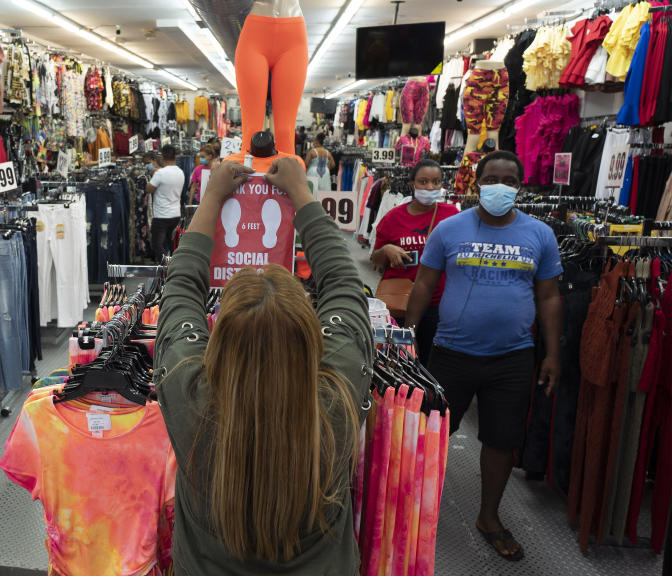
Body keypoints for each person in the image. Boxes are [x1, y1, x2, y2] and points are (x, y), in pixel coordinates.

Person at [154, 158, 373, 573]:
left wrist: (212, 196)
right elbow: (345, 284)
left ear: (217, 340)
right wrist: (302, 194)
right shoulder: (338, 399)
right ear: (313, 339)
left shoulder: (189, 395)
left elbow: (180, 285)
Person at [405, 150, 563, 562]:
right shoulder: (448, 229)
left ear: (520, 186)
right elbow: (423, 284)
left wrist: (552, 354)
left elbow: (549, 297)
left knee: (501, 441)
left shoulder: (540, 235)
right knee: (432, 436)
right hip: (451, 353)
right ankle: (418, 510)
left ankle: (488, 517)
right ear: (476, 183)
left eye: (509, 180)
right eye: (491, 177)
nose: (500, 186)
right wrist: (408, 336)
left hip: (512, 357)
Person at [371, 159, 459, 365]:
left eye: (436, 182)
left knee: (431, 362)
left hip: (438, 304)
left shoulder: (452, 215)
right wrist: (386, 250)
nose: (430, 187)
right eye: (423, 182)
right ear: (412, 184)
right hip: (400, 302)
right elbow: (375, 258)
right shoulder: (393, 217)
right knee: (398, 362)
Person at [147, 144, 186, 262]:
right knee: (171, 242)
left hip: (161, 215)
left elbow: (149, 189)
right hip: (175, 214)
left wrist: (151, 174)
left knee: (157, 244)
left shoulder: (160, 173)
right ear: (175, 157)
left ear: (162, 157)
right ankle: (175, 264)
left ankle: (168, 267)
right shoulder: (180, 172)